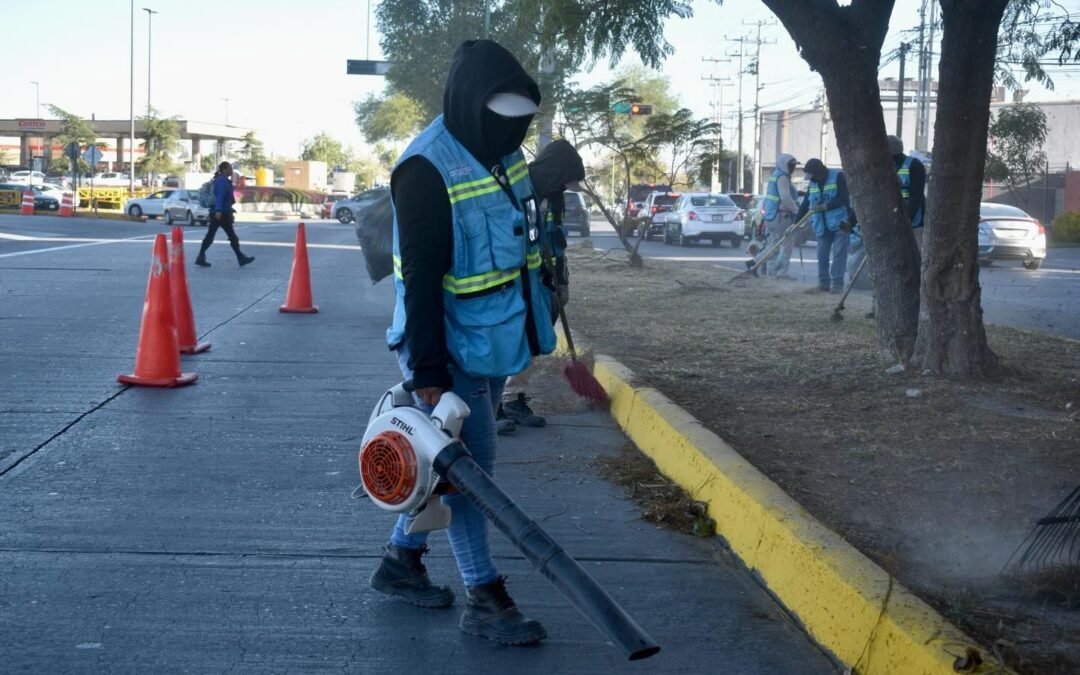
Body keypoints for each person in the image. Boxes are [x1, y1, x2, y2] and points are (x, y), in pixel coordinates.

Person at [369, 39, 556, 647]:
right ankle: (485, 596)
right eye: (502, 120)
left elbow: (521, 238)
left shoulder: (506, 153)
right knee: (469, 473)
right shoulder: (426, 168)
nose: (513, 133)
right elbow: (420, 279)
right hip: (447, 347)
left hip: (498, 336)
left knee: (442, 465)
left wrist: (544, 302)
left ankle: (401, 563)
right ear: (472, 106)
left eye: (520, 122)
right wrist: (429, 373)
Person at [497, 139, 586, 433]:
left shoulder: (555, 195)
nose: (565, 185)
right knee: (511, 335)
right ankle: (498, 403)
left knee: (532, 337)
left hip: (542, 280)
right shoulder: (522, 186)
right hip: (515, 277)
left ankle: (513, 398)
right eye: (564, 178)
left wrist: (560, 280)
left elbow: (556, 241)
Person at [797, 158, 851, 293]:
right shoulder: (813, 183)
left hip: (840, 223)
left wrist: (826, 206)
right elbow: (805, 204)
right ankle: (823, 283)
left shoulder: (837, 177)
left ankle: (837, 285)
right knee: (822, 255)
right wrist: (796, 222)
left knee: (839, 255)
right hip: (821, 225)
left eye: (812, 175)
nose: (811, 179)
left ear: (819, 172)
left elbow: (844, 198)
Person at [748, 153, 800, 279]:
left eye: (794, 166)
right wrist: (797, 211)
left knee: (774, 246)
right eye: (791, 166)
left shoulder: (776, 175)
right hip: (781, 217)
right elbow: (786, 198)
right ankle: (782, 273)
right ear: (784, 165)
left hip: (772, 217)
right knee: (786, 244)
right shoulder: (782, 178)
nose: (793, 168)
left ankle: (756, 263)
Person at [195, 161, 254, 268]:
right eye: (230, 168)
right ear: (224, 169)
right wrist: (218, 210)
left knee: (211, 236)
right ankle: (241, 258)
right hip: (221, 213)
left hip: (221, 212)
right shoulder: (222, 181)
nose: (232, 170)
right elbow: (220, 196)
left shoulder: (223, 180)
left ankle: (200, 256)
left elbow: (225, 198)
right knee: (231, 237)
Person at [888, 135, 927, 248]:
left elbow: (916, 197)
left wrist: (905, 219)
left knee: (916, 254)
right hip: (894, 222)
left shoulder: (914, 165)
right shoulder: (888, 167)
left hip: (914, 223)